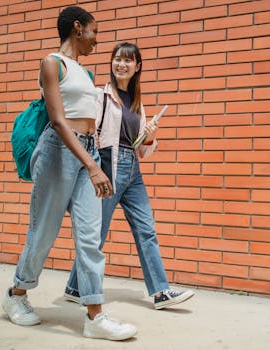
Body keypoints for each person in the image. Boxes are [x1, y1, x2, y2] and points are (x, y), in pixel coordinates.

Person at [2, 6, 137, 341]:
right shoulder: (53, 63)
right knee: (44, 231)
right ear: (77, 28)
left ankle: (95, 315)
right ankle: (16, 295)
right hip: (58, 151)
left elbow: (93, 117)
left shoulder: (85, 73)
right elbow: (59, 121)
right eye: (94, 32)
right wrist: (93, 167)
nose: (96, 39)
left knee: (90, 239)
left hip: (87, 150)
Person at [64, 42, 194, 310]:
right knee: (96, 234)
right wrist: (93, 168)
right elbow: (91, 134)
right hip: (108, 166)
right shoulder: (100, 96)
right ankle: (76, 288)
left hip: (133, 170)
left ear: (137, 67)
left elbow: (141, 151)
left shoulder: (136, 103)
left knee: (146, 229)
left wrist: (150, 137)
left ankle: (160, 292)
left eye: (128, 61)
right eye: (117, 60)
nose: (121, 65)